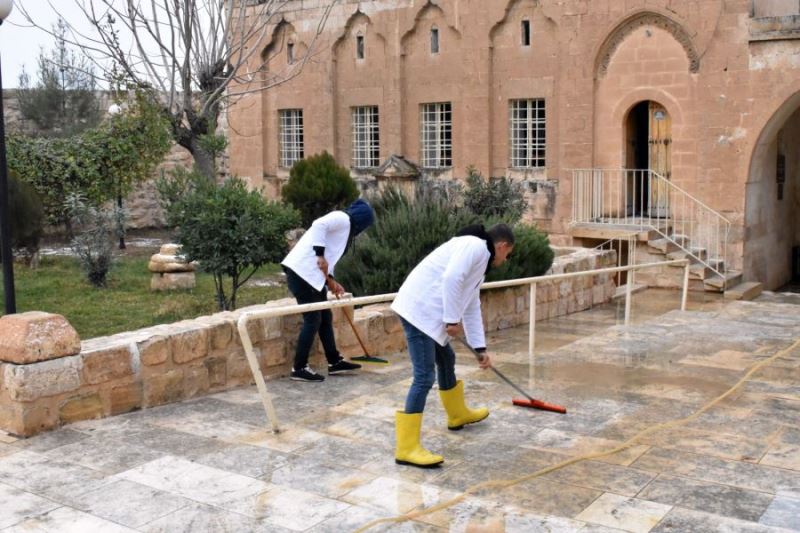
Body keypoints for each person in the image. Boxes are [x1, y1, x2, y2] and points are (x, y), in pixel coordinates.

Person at [390, 223, 515, 467]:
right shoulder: (476, 247)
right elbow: (451, 278)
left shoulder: (480, 259)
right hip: (419, 311)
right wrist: (450, 319)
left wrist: (480, 349)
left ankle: (457, 414)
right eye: (508, 254)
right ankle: (406, 448)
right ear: (502, 246)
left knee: (446, 358)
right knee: (424, 377)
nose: (506, 259)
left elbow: (471, 304)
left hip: (427, 313)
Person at [281, 199, 375, 382]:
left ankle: (334, 362)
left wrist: (332, 282)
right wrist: (319, 254)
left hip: (312, 277)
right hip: (301, 273)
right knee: (313, 319)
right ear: (362, 220)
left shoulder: (347, 232)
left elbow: (329, 259)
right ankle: (299, 368)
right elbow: (318, 225)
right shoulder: (342, 218)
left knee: (325, 317)